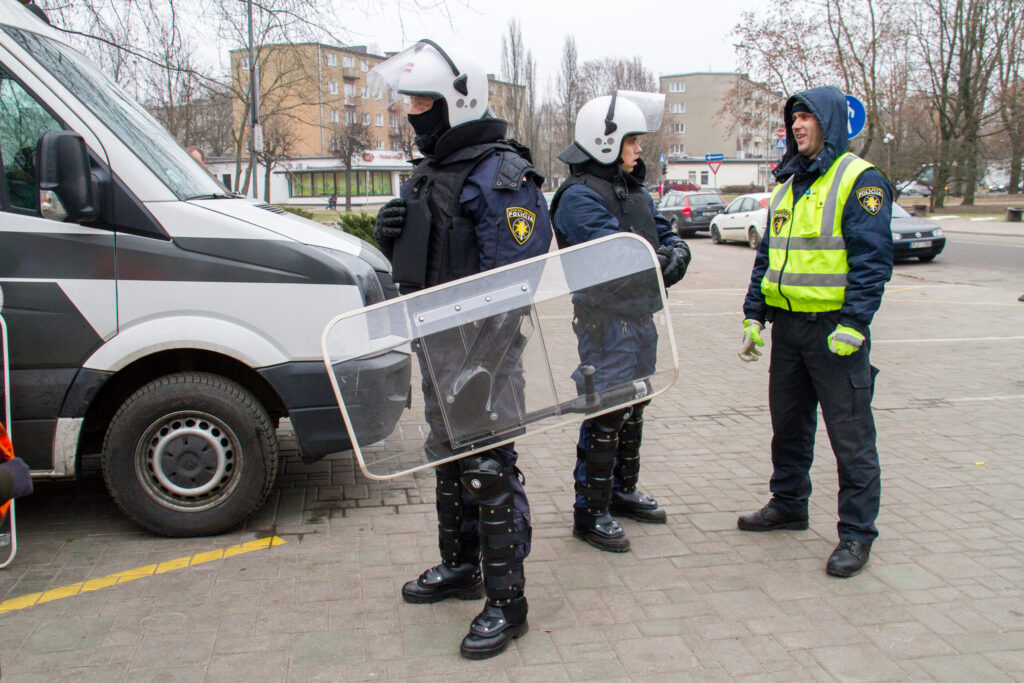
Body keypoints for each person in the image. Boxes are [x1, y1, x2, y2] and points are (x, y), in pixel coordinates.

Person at [369, 39, 552, 659]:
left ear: (458, 103)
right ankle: (460, 566)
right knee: (447, 457)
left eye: (422, 102)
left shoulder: (502, 176)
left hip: (485, 356)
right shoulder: (432, 171)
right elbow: (430, 262)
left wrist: (482, 366)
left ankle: (508, 602)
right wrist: (392, 236)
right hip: (436, 346)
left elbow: (515, 284)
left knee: (487, 468)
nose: (412, 113)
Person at [737, 85, 893, 578]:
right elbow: (767, 257)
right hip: (789, 331)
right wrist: (754, 315)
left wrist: (855, 323)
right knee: (788, 427)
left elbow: (872, 261)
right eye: (793, 119)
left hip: (834, 332)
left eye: (806, 118)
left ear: (828, 123)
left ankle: (857, 534)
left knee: (850, 437)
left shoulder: (859, 180)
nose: (797, 126)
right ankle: (789, 504)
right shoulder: (787, 184)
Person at [549, 91, 691, 553]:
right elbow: (618, 256)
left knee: (636, 404)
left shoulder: (631, 188)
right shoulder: (578, 197)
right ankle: (591, 511)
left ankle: (622, 490)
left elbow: (663, 233)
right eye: (632, 141)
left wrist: (677, 252)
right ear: (605, 141)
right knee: (607, 413)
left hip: (640, 316)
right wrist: (660, 261)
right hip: (605, 323)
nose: (638, 149)